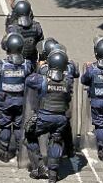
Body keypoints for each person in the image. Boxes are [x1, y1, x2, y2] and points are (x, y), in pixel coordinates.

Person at [25, 50, 74, 182]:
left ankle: (40, 167)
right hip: (61, 119)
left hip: (44, 117)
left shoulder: (41, 79)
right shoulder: (68, 80)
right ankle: (53, 174)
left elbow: (28, 79)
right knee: (56, 140)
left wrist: (41, 67)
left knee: (29, 136)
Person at [0, 32, 32, 162]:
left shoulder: (0, 64)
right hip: (21, 102)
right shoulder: (27, 65)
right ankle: (20, 152)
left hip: (4, 102)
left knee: (5, 126)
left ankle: (4, 152)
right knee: (19, 126)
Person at [4, 0, 44, 64]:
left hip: (16, 61)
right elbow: (41, 44)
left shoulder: (13, 28)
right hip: (32, 60)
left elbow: (7, 44)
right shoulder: (37, 26)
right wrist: (41, 59)